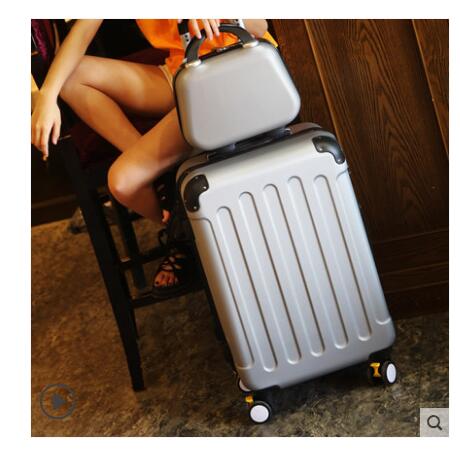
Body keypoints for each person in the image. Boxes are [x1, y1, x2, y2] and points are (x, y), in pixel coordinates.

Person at [31, 19, 276, 295]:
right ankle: (179, 212)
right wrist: (46, 97)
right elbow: (83, 30)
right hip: (182, 72)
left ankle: (184, 232)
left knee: (123, 182)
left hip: (232, 72)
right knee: (70, 77)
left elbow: (259, 25)